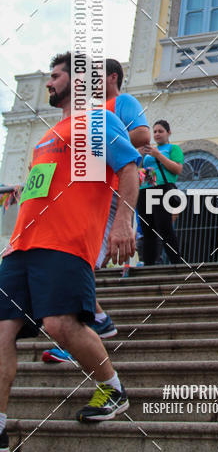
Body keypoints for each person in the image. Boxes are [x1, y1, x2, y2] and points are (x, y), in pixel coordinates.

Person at [0, 52, 140, 452]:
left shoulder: (98, 120)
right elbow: (43, 185)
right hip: (21, 247)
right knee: (1, 334)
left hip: (65, 244)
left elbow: (129, 168)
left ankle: (112, 390)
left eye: (56, 76)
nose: (49, 83)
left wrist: (122, 224)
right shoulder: (49, 134)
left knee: (60, 324)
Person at [42, 57, 150, 363]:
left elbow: (142, 136)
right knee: (77, 257)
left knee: (78, 259)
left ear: (113, 77)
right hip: (87, 191)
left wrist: (96, 146)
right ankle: (96, 320)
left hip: (113, 187)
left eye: (97, 77)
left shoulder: (122, 102)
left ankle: (84, 328)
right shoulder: (85, 113)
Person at [137, 120, 185, 265]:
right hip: (146, 189)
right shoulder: (149, 152)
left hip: (163, 189)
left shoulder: (172, 148)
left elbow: (177, 169)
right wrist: (140, 156)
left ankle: (176, 262)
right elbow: (141, 171)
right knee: (147, 230)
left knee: (164, 227)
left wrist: (158, 155)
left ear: (168, 133)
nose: (157, 134)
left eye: (160, 131)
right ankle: (148, 264)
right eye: (155, 132)